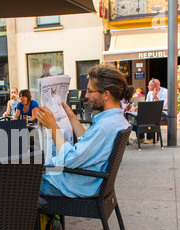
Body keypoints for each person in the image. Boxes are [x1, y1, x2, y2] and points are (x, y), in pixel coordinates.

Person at [37, 63, 132, 198]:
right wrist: (71, 117)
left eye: (90, 91)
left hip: (73, 185)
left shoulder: (105, 126)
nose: (86, 95)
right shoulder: (117, 120)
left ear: (106, 94)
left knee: (20, 180)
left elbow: (69, 159)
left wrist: (53, 127)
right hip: (88, 182)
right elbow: (90, 143)